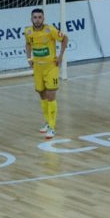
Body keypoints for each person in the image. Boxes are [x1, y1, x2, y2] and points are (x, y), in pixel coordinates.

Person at [24, 8, 68, 139]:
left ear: (43, 18)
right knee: (42, 94)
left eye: (40, 17)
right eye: (35, 17)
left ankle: (52, 127)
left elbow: (65, 38)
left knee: (51, 95)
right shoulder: (28, 32)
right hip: (38, 67)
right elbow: (28, 44)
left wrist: (60, 56)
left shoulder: (50, 30)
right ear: (31, 19)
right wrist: (29, 59)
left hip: (51, 67)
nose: (37, 20)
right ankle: (47, 122)